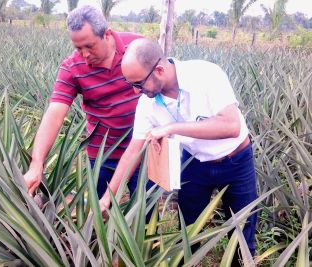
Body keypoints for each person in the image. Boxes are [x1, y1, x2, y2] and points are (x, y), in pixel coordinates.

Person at [99, 38, 258, 261]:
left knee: (243, 232)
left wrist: (171, 127)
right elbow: (133, 150)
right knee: (187, 234)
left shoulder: (206, 74)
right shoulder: (147, 104)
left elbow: (231, 126)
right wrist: (108, 197)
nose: (136, 92)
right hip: (194, 163)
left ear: (160, 70)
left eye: (138, 84)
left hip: (236, 160)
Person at [24, 5, 153, 203]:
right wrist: (36, 163)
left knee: (144, 210)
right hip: (104, 153)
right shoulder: (72, 68)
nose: (84, 54)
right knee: (100, 211)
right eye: (78, 47)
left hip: (144, 149)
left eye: (89, 46)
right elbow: (55, 114)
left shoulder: (137, 47)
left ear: (107, 34)